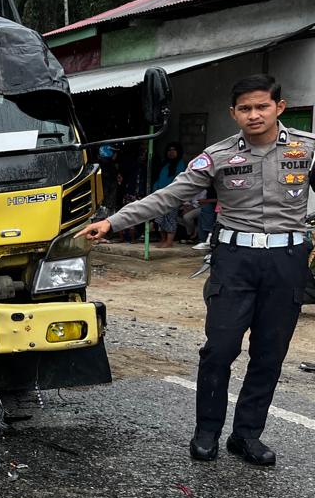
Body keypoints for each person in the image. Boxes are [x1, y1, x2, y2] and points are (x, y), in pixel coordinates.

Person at [82, 74, 314, 466]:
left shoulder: (306, 150)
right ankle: (207, 432)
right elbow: (169, 196)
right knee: (219, 349)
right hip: (234, 262)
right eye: (245, 108)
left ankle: (247, 436)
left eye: (262, 106)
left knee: (269, 353)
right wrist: (112, 222)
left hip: (287, 262)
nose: (254, 115)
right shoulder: (218, 156)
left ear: (279, 107)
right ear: (233, 113)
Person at [150, 142, 186, 247]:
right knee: (160, 218)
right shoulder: (164, 163)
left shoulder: (180, 164)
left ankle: (169, 242)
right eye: (169, 150)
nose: (171, 152)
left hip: (172, 196)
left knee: (170, 218)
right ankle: (163, 239)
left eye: (174, 150)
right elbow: (158, 178)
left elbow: (178, 180)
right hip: (160, 195)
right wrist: (155, 189)